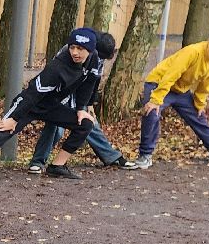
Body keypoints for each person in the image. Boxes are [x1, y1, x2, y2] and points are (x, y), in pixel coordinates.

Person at [0, 27, 101, 183]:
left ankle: (57, 166)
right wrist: (14, 118)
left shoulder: (94, 58)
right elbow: (32, 94)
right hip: (29, 104)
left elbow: (90, 82)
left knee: (85, 124)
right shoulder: (57, 68)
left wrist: (81, 108)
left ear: (90, 50)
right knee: (4, 130)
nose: (75, 52)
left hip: (52, 105)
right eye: (72, 47)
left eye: (80, 49)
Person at [135, 22, 209, 167]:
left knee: (198, 116)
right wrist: (156, 99)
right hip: (159, 83)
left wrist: (200, 103)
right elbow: (171, 75)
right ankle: (145, 155)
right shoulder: (193, 52)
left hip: (180, 90)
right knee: (152, 113)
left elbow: (207, 82)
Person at [27, 30, 140, 171]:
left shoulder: (97, 58)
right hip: (61, 93)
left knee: (89, 123)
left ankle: (112, 157)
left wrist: (89, 104)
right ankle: (37, 162)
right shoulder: (72, 51)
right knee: (55, 127)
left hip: (82, 95)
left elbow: (94, 81)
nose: (99, 61)